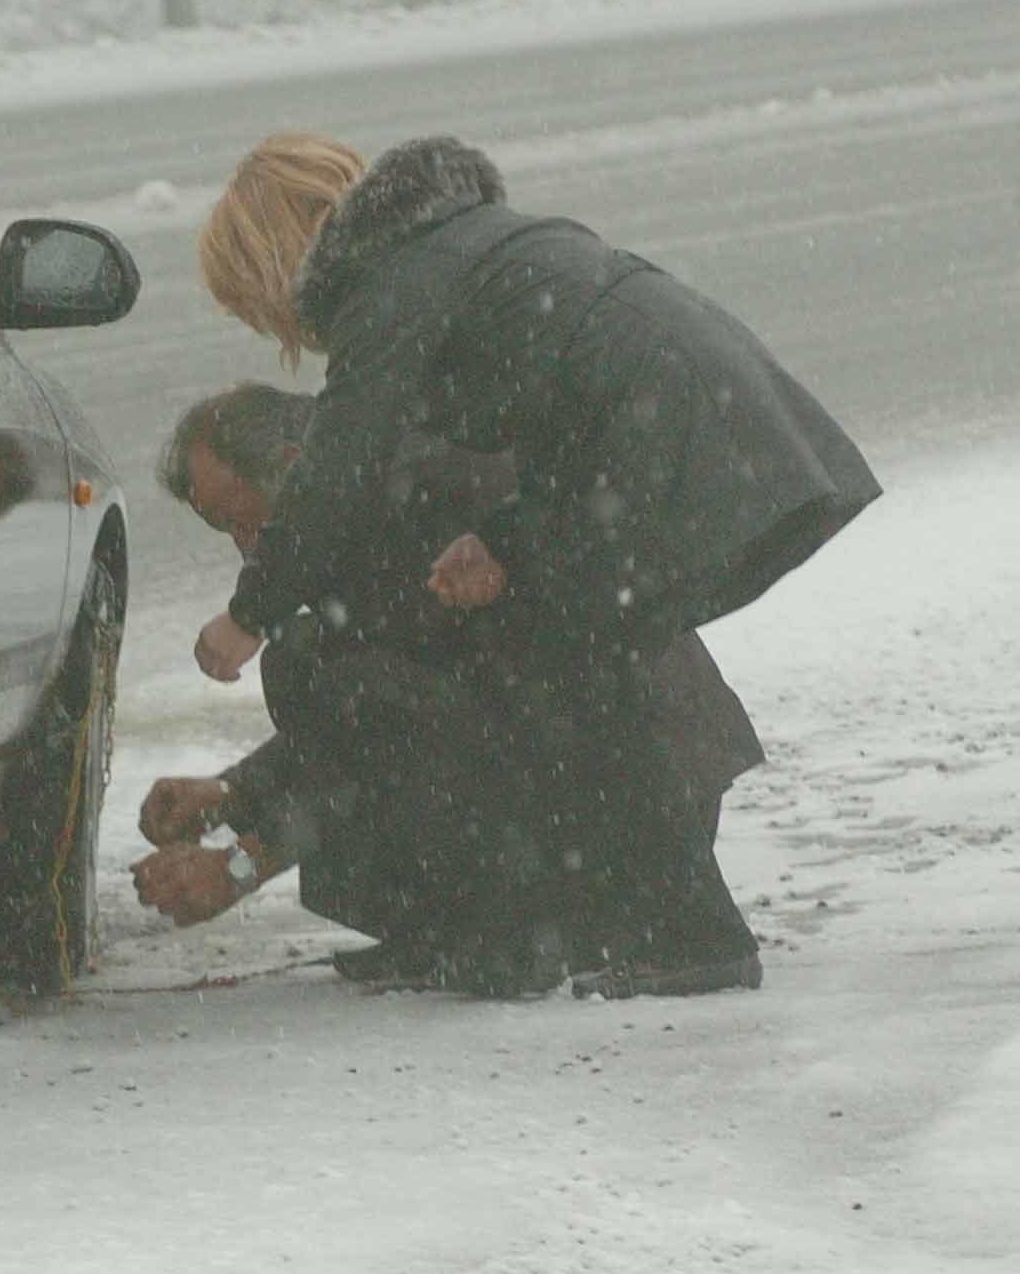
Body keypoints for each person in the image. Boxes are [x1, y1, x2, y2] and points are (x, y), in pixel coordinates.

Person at [187, 133, 879, 996]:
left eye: (259, 309)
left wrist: (247, 615)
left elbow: (338, 472)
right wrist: (505, 543)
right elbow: (545, 420)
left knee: (571, 673)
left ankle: (675, 941)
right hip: (699, 415)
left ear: (276, 263)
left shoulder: (389, 289)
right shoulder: (445, 250)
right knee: (568, 665)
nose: (280, 334)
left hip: (667, 437)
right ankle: (599, 929)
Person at [131, 383, 764, 995]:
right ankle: (464, 928)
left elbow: (377, 736)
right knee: (316, 670)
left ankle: (511, 931)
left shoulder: (405, 504)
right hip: (590, 765)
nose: (247, 549)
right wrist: (230, 794)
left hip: (634, 794)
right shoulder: (366, 483)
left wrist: (238, 867)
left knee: (310, 669)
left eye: (245, 523)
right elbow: (370, 726)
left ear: (296, 467)